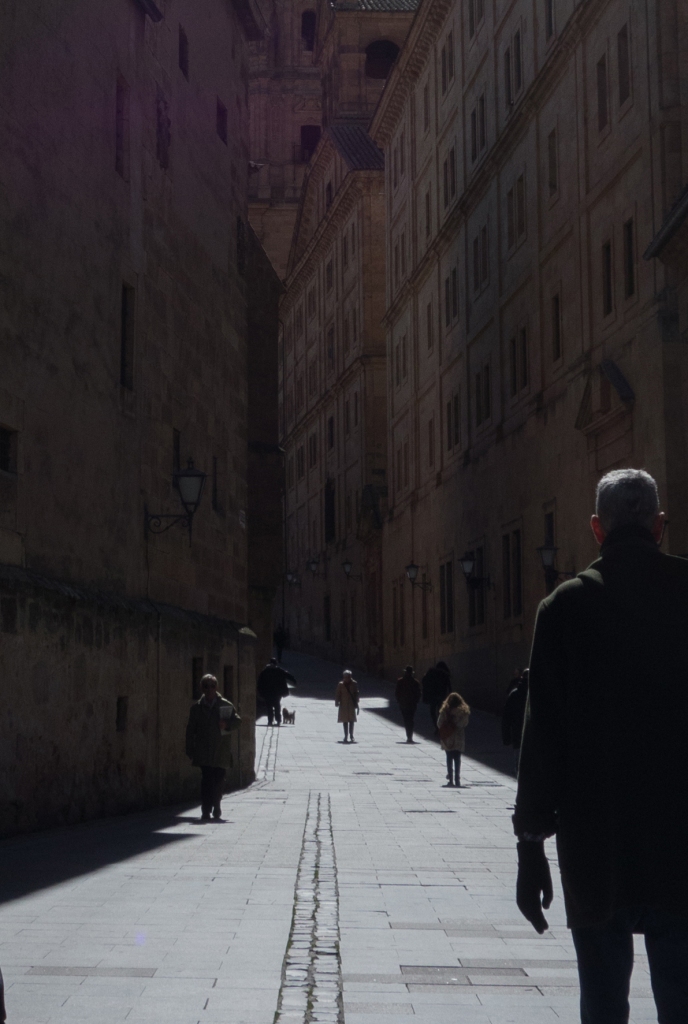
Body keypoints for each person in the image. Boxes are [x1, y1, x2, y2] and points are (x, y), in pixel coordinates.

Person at [513, 468, 688, 1024]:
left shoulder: (564, 608)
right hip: (679, 844)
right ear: (660, 526)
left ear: (596, 528)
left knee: (604, 1001)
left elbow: (544, 736)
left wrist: (529, 846)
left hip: (596, 845)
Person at [185, 674, 240, 822]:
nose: (210, 689)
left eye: (212, 686)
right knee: (207, 780)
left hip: (221, 750)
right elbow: (190, 730)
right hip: (204, 751)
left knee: (219, 779)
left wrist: (227, 725)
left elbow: (238, 722)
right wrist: (189, 749)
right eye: (206, 686)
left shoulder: (225, 705)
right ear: (202, 688)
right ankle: (206, 809)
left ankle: (217, 804)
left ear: (217, 687)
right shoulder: (196, 708)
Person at [437, 692, 470, 787]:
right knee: (457, 758)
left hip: (448, 737)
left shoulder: (444, 711)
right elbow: (464, 724)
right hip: (459, 737)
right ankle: (457, 779)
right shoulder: (463, 712)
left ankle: (450, 779)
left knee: (449, 757)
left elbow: (439, 723)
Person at [257, 657, 296, 725]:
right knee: (277, 706)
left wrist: (260, 691)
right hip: (277, 693)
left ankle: (270, 721)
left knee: (269, 707)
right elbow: (287, 675)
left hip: (267, 692)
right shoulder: (279, 670)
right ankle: (278, 720)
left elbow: (259, 681)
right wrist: (293, 680)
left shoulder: (265, 671)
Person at [501, 668, 528, 754]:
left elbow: (506, 718)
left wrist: (506, 737)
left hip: (518, 735)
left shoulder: (514, 694)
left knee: (518, 762)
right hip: (532, 738)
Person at [421, 661, 451, 735]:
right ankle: (440, 728)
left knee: (433, 712)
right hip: (441, 696)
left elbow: (424, 681)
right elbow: (449, 688)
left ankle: (437, 728)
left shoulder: (431, 672)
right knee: (440, 713)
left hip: (433, 696)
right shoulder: (445, 675)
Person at [395, 665, 421, 743]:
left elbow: (397, 693)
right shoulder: (415, 682)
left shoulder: (400, 681)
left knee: (406, 719)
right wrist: (416, 701)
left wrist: (399, 700)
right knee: (410, 720)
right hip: (412, 704)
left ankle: (409, 736)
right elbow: (419, 693)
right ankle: (410, 736)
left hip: (404, 704)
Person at [335, 669, 359, 742]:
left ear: (350, 676)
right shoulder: (341, 684)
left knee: (351, 720)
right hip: (344, 705)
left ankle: (351, 735)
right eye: (345, 677)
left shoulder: (354, 683)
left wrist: (357, 702)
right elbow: (338, 694)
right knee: (345, 721)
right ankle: (346, 736)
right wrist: (337, 702)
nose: (346, 678)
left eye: (347, 677)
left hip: (351, 704)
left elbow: (356, 693)